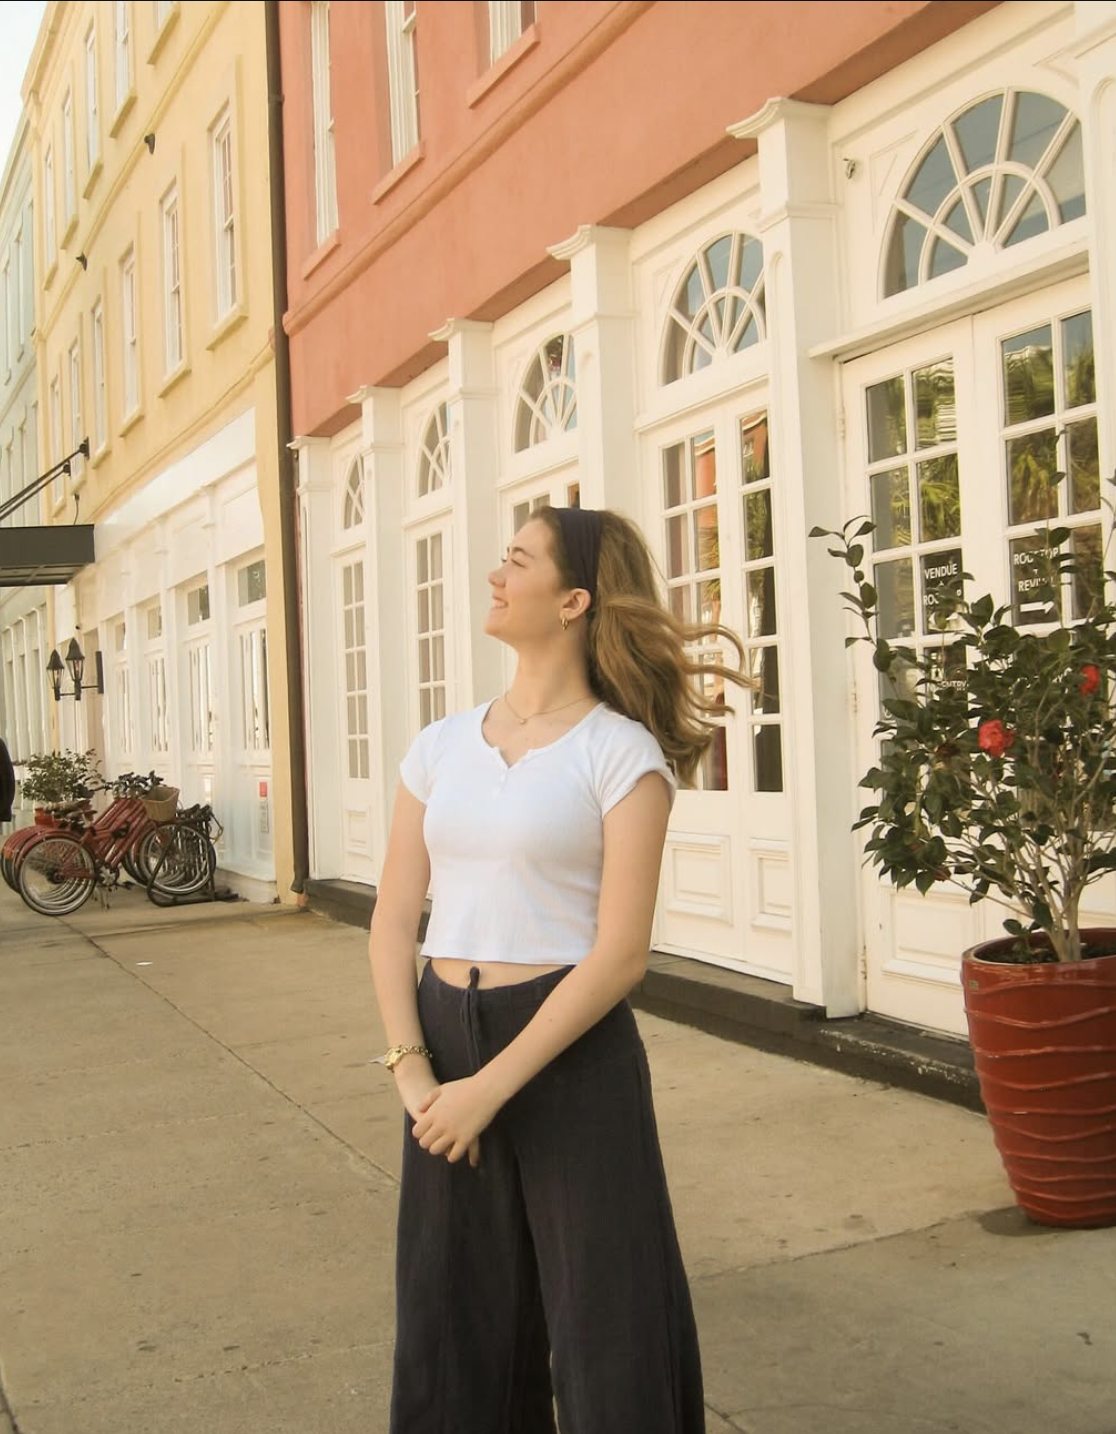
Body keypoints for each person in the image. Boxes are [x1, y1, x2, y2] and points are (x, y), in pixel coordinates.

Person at [369, 504, 750, 1434]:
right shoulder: (440, 747)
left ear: (574, 600)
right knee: (453, 1319)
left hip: (569, 1050)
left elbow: (620, 955)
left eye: (517, 561)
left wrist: (489, 1089)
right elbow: (392, 923)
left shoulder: (619, 754)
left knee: (606, 1319)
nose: (494, 576)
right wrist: (416, 1075)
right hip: (442, 1043)